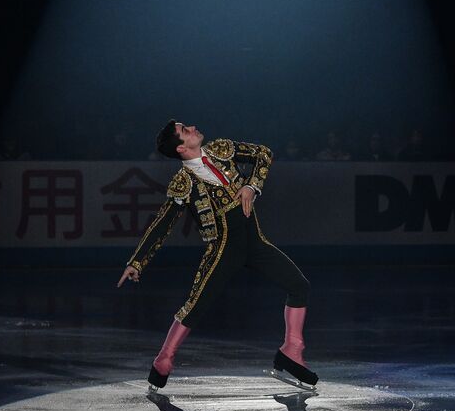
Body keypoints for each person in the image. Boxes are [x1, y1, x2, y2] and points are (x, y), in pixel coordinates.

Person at [117, 120, 317, 392]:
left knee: (299, 285)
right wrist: (137, 261)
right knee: (195, 307)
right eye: (185, 130)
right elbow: (162, 224)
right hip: (223, 250)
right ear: (180, 147)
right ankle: (163, 360)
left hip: (254, 243)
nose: (192, 127)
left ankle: (292, 349)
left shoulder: (221, 148)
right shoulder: (183, 182)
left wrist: (251, 186)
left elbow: (264, 154)